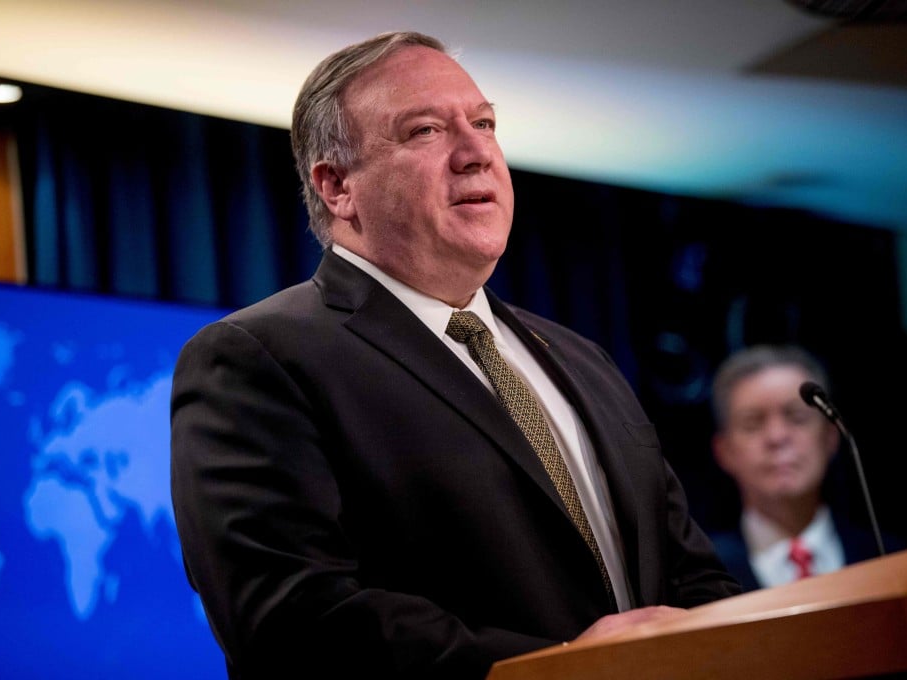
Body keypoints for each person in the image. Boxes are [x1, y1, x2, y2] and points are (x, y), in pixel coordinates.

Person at [170, 31, 740, 680]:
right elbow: (291, 617)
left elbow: (688, 571)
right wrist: (564, 669)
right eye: (425, 132)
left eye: (485, 123)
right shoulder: (258, 359)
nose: (477, 154)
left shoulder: (582, 359)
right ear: (336, 186)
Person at [708, 344, 887, 592]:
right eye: (752, 423)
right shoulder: (702, 580)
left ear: (830, 437)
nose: (777, 436)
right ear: (724, 451)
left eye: (797, 417)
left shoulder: (889, 558)